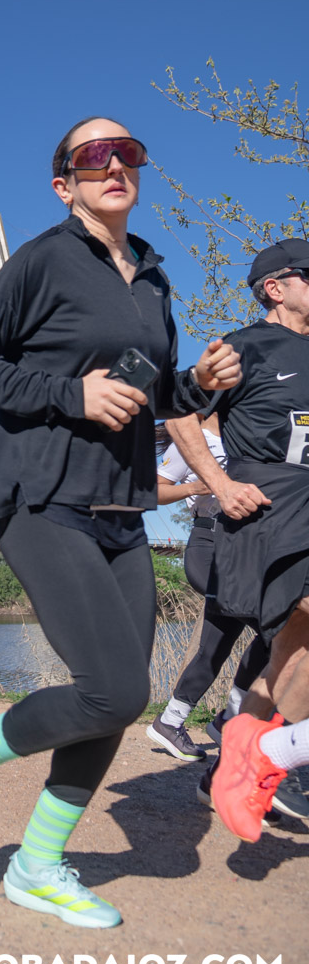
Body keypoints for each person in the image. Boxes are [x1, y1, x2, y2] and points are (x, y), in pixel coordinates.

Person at [0, 117, 241, 928]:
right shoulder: (41, 259)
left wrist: (199, 383)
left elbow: (153, 396)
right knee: (114, 687)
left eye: (129, 152)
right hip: (44, 498)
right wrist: (72, 394)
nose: (116, 165)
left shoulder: (154, 279)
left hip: (123, 510)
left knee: (118, 700)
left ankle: (37, 865)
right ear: (64, 185)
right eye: (95, 156)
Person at [166, 238, 309, 840]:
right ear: (276, 288)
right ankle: (283, 759)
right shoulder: (246, 346)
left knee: (290, 655)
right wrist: (219, 484)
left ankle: (233, 767)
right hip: (269, 512)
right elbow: (179, 409)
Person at [148, 416, 269, 763]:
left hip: (243, 549)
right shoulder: (192, 440)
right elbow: (155, 489)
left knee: (217, 644)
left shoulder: (245, 435)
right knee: (274, 628)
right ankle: (230, 719)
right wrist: (195, 488)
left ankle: (171, 721)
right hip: (209, 546)